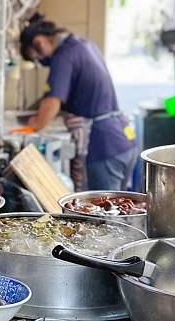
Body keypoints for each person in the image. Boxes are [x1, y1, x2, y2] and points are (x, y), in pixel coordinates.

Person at [19, 14, 138, 191]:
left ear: (39, 42)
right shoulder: (84, 45)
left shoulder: (63, 55)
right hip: (124, 139)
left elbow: (51, 104)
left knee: (102, 213)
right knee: (120, 211)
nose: (41, 62)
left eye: (36, 57)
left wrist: (31, 125)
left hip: (103, 147)